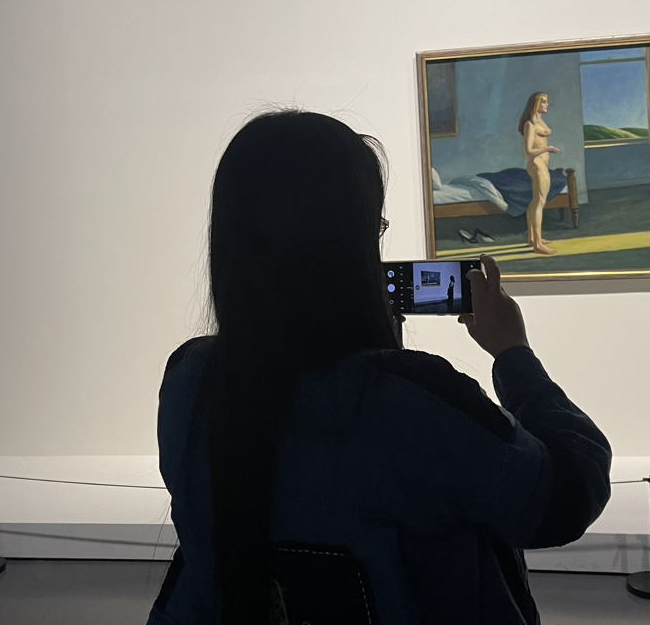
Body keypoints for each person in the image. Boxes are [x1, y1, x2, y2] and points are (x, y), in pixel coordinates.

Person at [147, 110, 612, 625]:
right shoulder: (415, 402)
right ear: (351, 246)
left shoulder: (189, 381)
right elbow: (569, 493)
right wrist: (513, 354)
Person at [517, 92, 560, 256]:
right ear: (535, 104)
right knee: (540, 202)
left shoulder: (540, 121)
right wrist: (547, 148)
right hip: (536, 164)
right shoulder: (530, 125)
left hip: (542, 164)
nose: (547, 105)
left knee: (536, 201)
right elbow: (527, 152)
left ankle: (532, 238)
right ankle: (538, 244)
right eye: (544, 102)